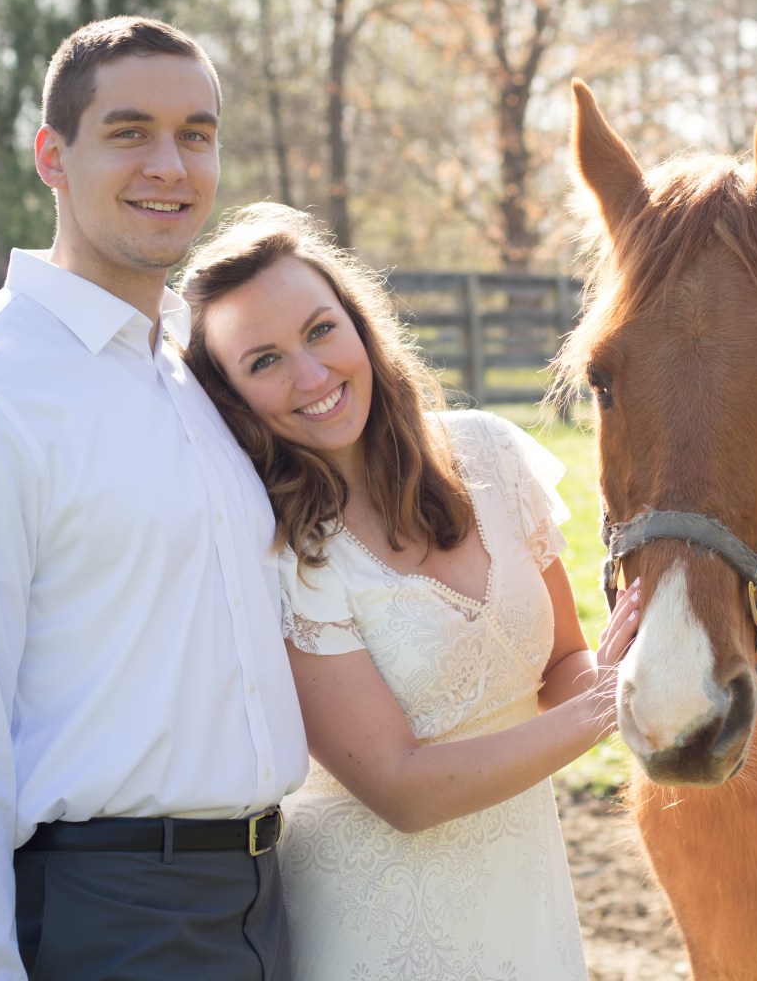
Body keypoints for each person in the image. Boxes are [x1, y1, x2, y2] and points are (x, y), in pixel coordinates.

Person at [0, 18, 308, 980]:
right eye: (129, 131)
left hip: (270, 901)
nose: (170, 165)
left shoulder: (194, 373)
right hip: (109, 916)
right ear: (52, 157)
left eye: (196, 134)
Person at [179, 202, 640, 981]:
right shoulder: (280, 552)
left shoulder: (490, 456)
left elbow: (562, 663)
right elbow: (403, 790)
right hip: (375, 933)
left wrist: (626, 669)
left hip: (526, 906)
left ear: (359, 325)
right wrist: (604, 708)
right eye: (264, 362)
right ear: (229, 397)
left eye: (321, 330)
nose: (312, 376)